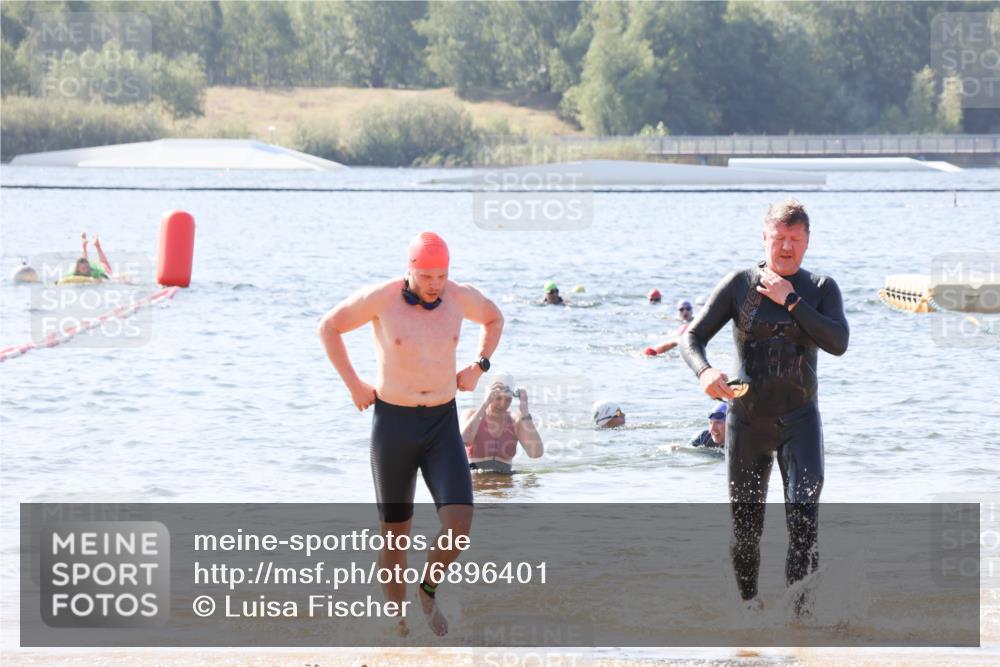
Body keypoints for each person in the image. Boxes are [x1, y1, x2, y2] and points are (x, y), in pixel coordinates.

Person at [317, 231, 504, 637]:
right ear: (411, 270)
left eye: (442, 275)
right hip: (394, 425)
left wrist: (479, 366)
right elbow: (329, 327)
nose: (435, 285)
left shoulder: (459, 296)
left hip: (441, 422)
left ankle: (428, 589)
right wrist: (354, 384)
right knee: (395, 536)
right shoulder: (381, 299)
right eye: (427, 277)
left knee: (459, 523)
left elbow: (494, 318)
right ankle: (398, 621)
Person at [679, 199, 849, 614]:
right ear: (765, 238)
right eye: (779, 238)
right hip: (748, 424)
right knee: (746, 531)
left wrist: (791, 300)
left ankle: (799, 621)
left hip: (801, 422)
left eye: (795, 239)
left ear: (807, 241)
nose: (786, 247)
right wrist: (704, 372)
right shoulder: (740, 284)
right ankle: (750, 610)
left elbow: (838, 342)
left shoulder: (821, 289)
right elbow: (691, 337)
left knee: (804, 522)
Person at [461, 372, 544, 474]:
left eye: (508, 399)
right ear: (488, 394)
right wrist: (485, 404)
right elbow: (464, 440)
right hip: (477, 482)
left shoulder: (515, 420)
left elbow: (536, 453)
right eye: (498, 398)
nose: (502, 404)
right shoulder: (471, 414)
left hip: (505, 484)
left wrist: (524, 411)